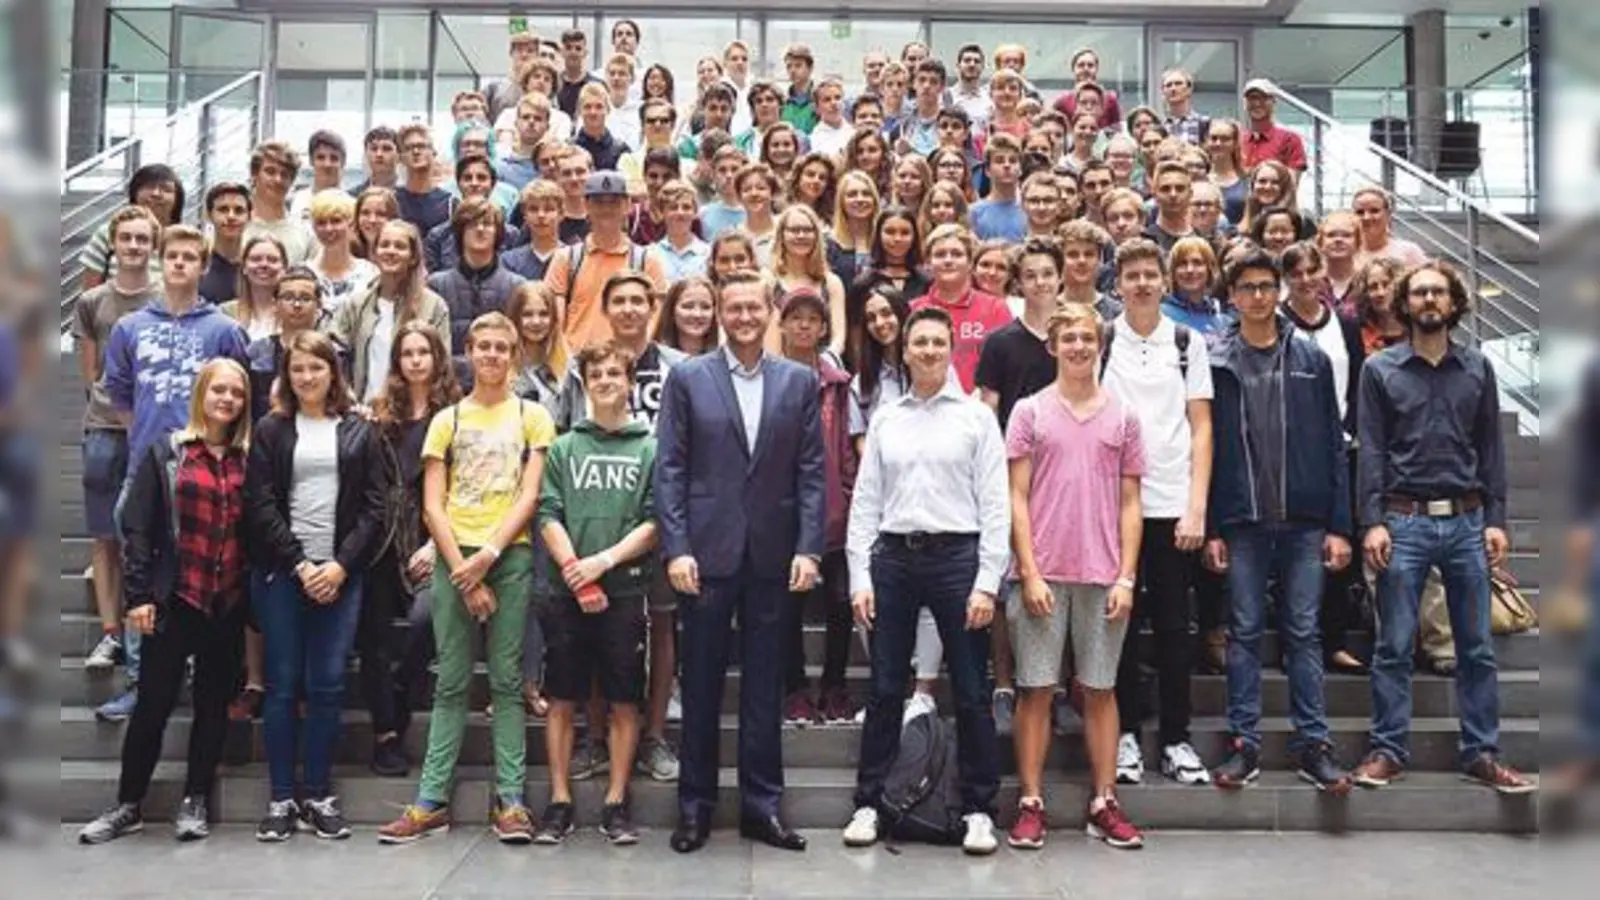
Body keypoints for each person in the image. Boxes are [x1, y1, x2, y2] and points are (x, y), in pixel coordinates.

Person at [654, 271, 825, 854]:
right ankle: (694, 809)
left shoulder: (798, 380)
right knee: (701, 687)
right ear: (720, 314)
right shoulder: (688, 377)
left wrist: (809, 547)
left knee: (763, 689)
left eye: (754, 307)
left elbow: (811, 472)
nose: (745, 317)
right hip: (704, 554)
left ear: (770, 311)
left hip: (774, 554)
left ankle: (763, 807)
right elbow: (670, 468)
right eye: (735, 308)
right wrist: (676, 547)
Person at [1352, 260, 1535, 795]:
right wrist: (1372, 522)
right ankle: (1388, 750)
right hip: (1403, 521)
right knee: (1394, 646)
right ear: (1404, 304)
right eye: (1419, 292)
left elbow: (1492, 449)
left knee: (1476, 648)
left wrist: (1496, 520)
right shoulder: (1379, 370)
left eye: (1438, 292)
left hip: (1467, 522)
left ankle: (1482, 753)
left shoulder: (1478, 368)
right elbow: (1371, 450)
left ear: (1454, 303)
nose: (1429, 300)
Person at [377, 312, 557, 845]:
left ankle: (512, 800)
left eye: (502, 347)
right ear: (469, 352)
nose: (493, 355)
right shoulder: (447, 419)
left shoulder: (532, 415)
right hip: (456, 559)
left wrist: (492, 553)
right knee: (452, 681)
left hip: (510, 556)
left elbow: (530, 494)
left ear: (514, 354)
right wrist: (463, 569)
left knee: (506, 681)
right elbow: (433, 505)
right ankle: (430, 800)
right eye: (484, 346)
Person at [841, 306, 1008, 856]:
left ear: (952, 348)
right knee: (886, 687)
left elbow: (996, 504)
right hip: (894, 558)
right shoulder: (887, 417)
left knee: (972, 690)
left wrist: (987, 582)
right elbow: (866, 500)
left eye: (939, 342)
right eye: (920, 343)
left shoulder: (976, 418)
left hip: (958, 557)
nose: (930, 351)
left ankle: (979, 809)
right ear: (906, 350)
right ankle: (870, 802)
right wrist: (860, 576)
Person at [75, 359, 254, 845]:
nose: (227, 399)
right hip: (174, 598)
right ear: (201, 394)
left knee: (212, 707)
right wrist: (138, 596)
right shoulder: (168, 451)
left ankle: (195, 799)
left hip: (226, 602)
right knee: (152, 706)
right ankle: (128, 804)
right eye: (218, 390)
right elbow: (138, 528)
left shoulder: (248, 459)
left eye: (236, 393)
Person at [1203, 249, 1353, 792]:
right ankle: (1244, 744)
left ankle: (1313, 744)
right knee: (1244, 633)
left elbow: (1334, 445)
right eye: (1247, 287)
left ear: (1279, 291)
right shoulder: (1215, 360)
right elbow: (1207, 449)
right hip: (1242, 520)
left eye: (1267, 286)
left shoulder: (1311, 357)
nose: (1258, 296)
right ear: (1232, 296)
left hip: (1305, 521)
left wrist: (1340, 526)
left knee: (1304, 633)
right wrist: (1212, 526)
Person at [1005, 302, 1146, 850]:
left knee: (1101, 689)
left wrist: (1126, 577)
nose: (1079, 347)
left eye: (1088, 338)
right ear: (1053, 346)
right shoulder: (1029, 413)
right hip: (1043, 573)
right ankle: (1030, 802)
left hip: (1102, 573)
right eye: (1069, 339)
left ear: (1100, 345)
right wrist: (1029, 572)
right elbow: (1016, 497)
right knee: (1036, 688)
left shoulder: (1124, 416)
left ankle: (1105, 800)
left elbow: (1131, 502)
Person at [96, 225, 251, 723]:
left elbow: (240, 390)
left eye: (190, 256)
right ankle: (139, 679)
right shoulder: (130, 327)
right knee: (143, 571)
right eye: (173, 256)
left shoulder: (223, 329)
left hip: (209, 471)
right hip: (149, 468)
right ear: (160, 262)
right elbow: (120, 394)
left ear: (204, 266)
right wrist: (148, 443)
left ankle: (204, 674)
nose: (181, 263)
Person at [243, 330, 387, 841]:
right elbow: (259, 503)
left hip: (340, 576)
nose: (307, 377)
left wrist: (340, 566)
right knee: (283, 684)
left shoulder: (359, 430)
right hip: (284, 573)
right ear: (287, 375)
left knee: (327, 684)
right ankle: (282, 797)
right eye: (298, 368)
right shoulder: (271, 428)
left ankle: (319, 794)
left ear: (333, 373)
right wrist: (301, 564)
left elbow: (375, 507)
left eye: (316, 367)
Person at [533, 340, 661, 846]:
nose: (606, 381)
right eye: (597, 375)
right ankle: (560, 800)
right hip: (566, 592)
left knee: (624, 700)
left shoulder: (649, 448)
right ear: (585, 384)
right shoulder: (565, 447)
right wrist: (575, 570)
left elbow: (654, 522)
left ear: (630, 382)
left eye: (615, 373)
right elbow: (548, 514)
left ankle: (616, 801)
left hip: (625, 591)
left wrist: (603, 563)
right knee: (562, 698)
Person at [1098, 240, 1215, 788]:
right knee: (1117, 624)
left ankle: (1175, 738)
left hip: (1171, 503)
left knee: (1172, 626)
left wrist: (1197, 507)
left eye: (1150, 274)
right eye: (1132, 276)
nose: (1142, 283)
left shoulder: (1187, 342)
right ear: (1118, 285)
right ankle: (1124, 734)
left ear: (1164, 282)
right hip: (1111, 505)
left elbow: (1202, 428)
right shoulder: (1101, 340)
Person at [363, 322, 463, 779]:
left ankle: (401, 698)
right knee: (374, 637)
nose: (417, 360)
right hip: (382, 543)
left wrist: (436, 546)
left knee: (425, 620)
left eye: (424, 351)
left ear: (438, 357)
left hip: (435, 540)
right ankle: (386, 735)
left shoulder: (458, 415)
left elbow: (463, 488)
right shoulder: (379, 414)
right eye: (408, 353)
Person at [74, 207, 164, 675]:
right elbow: (90, 371)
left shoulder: (166, 297)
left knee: (152, 537)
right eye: (126, 238)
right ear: (113, 243)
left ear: (154, 245)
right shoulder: (93, 302)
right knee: (105, 535)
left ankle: (153, 636)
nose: (133, 246)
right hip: (105, 430)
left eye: (142, 239)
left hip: (153, 433)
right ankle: (111, 633)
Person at [775, 289, 860, 725]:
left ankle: (835, 684)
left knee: (841, 602)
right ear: (782, 325)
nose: (804, 325)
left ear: (825, 327)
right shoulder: (769, 378)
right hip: (783, 509)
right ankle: (794, 688)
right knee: (789, 603)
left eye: (813, 318)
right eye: (796, 317)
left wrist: (847, 494)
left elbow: (848, 446)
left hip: (834, 508)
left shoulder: (840, 385)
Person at [544, 170, 668, 348]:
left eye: (614, 202)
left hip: (628, 358)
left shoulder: (647, 261)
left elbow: (656, 315)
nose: (606, 209)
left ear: (627, 205)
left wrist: (636, 354)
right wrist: (567, 358)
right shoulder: (566, 259)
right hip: (578, 358)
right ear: (586, 205)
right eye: (599, 202)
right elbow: (555, 319)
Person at [428, 197, 528, 383]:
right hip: (449, 385)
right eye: (472, 224)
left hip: (502, 384)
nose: (480, 229)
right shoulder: (437, 285)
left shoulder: (516, 286)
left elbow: (521, 348)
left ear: (498, 233)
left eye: (487, 224)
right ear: (460, 232)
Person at [913, 224, 1014, 393]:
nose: (948, 260)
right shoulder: (913, 309)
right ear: (928, 264)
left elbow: (1007, 366)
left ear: (970, 263)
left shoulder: (996, 308)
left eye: (957, 254)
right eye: (940, 254)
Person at [78, 164, 183, 291]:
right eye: (149, 186)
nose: (156, 193)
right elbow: (90, 293)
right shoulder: (107, 233)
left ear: (177, 199)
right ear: (134, 192)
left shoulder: (185, 239)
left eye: (166, 189)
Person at [244, 140, 315, 265]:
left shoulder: (304, 232)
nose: (278, 179)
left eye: (284, 175)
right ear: (254, 175)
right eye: (270, 171)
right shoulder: (235, 226)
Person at [307, 189, 379, 312]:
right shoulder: (305, 273)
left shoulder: (371, 274)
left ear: (351, 224)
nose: (328, 229)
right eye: (321, 223)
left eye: (336, 221)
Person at [219, 234, 287, 342]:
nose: (264, 265)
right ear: (244, 267)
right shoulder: (225, 313)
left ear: (284, 268)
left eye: (272, 260)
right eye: (256, 259)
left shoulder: (294, 312)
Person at [394, 124, 455, 236]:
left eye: (421, 146)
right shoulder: (392, 200)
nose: (416, 151)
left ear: (433, 153)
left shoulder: (449, 203)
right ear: (401, 157)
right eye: (408, 148)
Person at [198, 181, 251, 305]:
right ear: (209, 215)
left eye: (239, 210)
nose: (231, 216)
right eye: (223, 209)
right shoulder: (199, 267)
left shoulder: (257, 267)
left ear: (249, 217)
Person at [501, 180, 566, 281]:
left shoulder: (574, 258)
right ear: (524, 215)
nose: (541, 215)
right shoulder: (509, 261)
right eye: (533, 209)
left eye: (548, 209)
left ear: (561, 214)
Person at [1240, 79, 1307, 174]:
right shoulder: (1237, 140)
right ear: (1245, 103)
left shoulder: (1289, 139)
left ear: (1274, 102)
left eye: (1264, 98)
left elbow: (1292, 180)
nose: (1257, 103)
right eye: (1252, 98)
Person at [1352, 186, 1427, 268]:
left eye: (1374, 211)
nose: (1366, 217)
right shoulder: (1347, 253)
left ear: (1388, 214)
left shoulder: (1409, 252)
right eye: (1360, 212)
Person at [970, 133, 1025, 242]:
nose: (1007, 165)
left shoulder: (1031, 209)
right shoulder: (975, 213)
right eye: (999, 161)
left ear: (1020, 169)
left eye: (1013, 161)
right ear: (987, 170)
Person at [654, 179, 711, 282]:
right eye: (673, 207)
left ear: (695, 212)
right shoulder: (651, 254)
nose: (680, 213)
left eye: (686, 207)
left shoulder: (708, 254)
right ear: (662, 213)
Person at [1054, 48, 1123, 130]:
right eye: (1081, 65)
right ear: (1073, 69)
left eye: (1090, 65)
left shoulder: (1110, 100)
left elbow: (1117, 130)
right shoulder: (1062, 102)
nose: (1086, 69)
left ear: (1096, 69)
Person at [289, 131, 348, 224]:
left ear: (343, 162)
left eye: (334, 158)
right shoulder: (298, 202)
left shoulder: (352, 205)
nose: (327, 164)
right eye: (321, 157)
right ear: (311, 161)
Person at [483, 31, 542, 124]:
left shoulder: (544, 87)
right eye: (519, 50)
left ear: (537, 55)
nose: (524, 55)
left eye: (530, 51)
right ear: (511, 53)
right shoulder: (494, 88)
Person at [654, 275, 720, 356]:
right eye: (688, 306)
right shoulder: (653, 357)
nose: (697, 314)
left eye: (705, 307)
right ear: (671, 310)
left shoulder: (727, 358)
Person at [556, 28, 603, 118]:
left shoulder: (597, 85)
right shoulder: (554, 85)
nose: (573, 52)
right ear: (561, 52)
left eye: (578, 48)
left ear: (585, 53)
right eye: (568, 48)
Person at [949, 43, 993, 132]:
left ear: (983, 67)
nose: (972, 64)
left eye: (977, 61)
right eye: (967, 60)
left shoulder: (990, 99)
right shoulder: (945, 97)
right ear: (958, 66)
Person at [1160, 68, 1209, 146]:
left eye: (1178, 83)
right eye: (1168, 85)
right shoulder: (1159, 126)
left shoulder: (1204, 123)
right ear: (1163, 92)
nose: (1173, 88)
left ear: (1189, 89)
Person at [808, 77, 853, 157]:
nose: (834, 103)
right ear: (816, 108)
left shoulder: (854, 134)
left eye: (838, 98)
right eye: (827, 99)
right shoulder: (812, 140)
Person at [350, 126, 401, 196]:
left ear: (399, 155)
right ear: (365, 154)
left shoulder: (411, 194)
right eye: (374, 149)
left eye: (386, 148)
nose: (379, 154)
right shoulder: (351, 197)